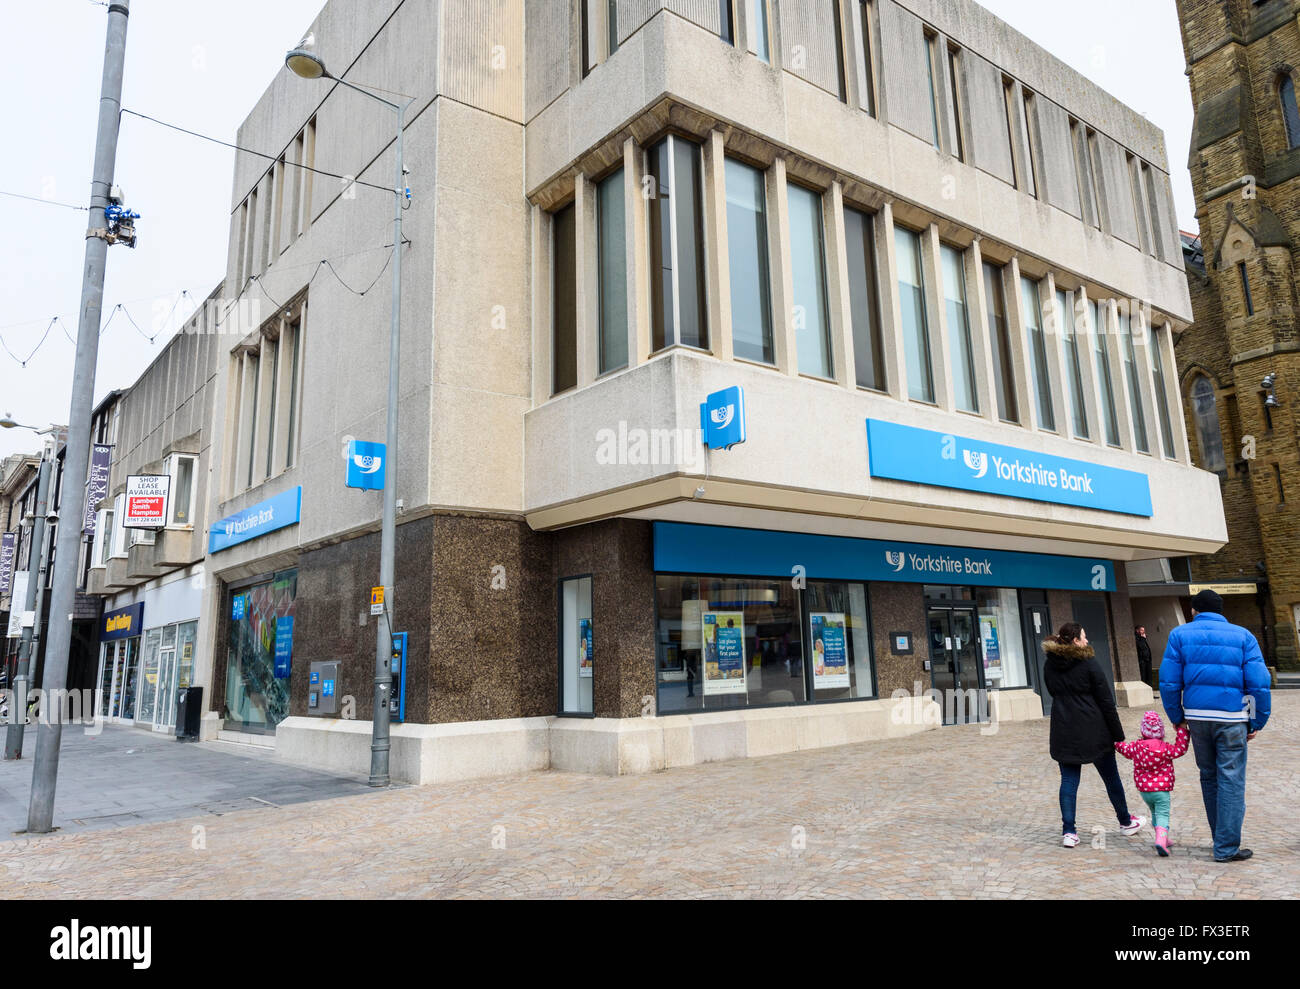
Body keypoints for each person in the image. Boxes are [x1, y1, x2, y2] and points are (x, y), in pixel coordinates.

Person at [1159, 589, 1271, 863]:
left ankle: (1219, 840)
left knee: (1209, 777)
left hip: (1197, 717)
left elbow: (1169, 682)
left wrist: (1177, 717)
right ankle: (1226, 847)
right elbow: (1258, 683)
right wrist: (1256, 720)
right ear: (1221, 611)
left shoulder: (1179, 635)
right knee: (1231, 779)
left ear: (1194, 611)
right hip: (1232, 717)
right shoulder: (1244, 636)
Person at [1043, 622, 1144, 847]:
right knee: (1111, 778)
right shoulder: (1088, 663)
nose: (1087, 640)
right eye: (1084, 637)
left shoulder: (1050, 664)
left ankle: (1069, 832)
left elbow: (1051, 691)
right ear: (1076, 641)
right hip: (1094, 729)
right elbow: (1106, 700)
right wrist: (1118, 734)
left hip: (1064, 727)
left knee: (1069, 781)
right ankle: (1126, 822)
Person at [1115, 712, 1190, 856]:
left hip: (1144, 791)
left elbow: (1124, 748)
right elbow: (1180, 749)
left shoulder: (1136, 747)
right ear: (1161, 731)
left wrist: (1114, 741)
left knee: (1155, 812)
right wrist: (1182, 730)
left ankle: (1163, 838)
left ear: (1143, 730)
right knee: (1162, 813)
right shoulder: (1164, 748)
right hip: (1161, 790)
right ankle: (1160, 841)